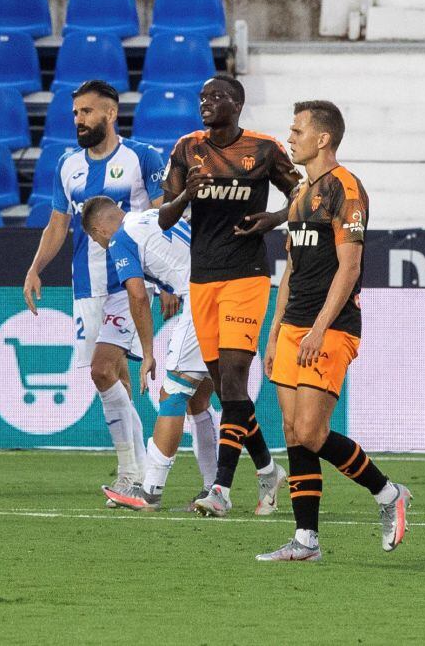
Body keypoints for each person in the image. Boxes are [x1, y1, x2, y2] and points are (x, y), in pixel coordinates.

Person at [257, 101, 411, 561]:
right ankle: (306, 541)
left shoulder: (347, 188)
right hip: (292, 328)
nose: (290, 136)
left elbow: (350, 266)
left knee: (310, 430)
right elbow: (290, 270)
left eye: (298, 129)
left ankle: (389, 494)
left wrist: (319, 328)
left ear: (323, 138)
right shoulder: (301, 194)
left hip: (330, 328)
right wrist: (274, 330)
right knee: (291, 428)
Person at [158, 73, 300, 518]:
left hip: (247, 276)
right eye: (201, 97)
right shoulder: (187, 148)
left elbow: (304, 191)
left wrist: (274, 218)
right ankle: (267, 469)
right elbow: (163, 217)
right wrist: (185, 196)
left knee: (236, 380)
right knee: (226, 392)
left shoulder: (263, 148)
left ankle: (219, 488)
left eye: (215, 96)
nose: (205, 103)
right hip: (202, 279)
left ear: (237, 104)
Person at [23, 79, 167, 505]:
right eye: (75, 113)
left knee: (102, 370)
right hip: (86, 286)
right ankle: (140, 479)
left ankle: (128, 473)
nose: (78, 120)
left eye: (87, 112)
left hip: (130, 281)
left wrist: (163, 279)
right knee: (115, 377)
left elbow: (165, 214)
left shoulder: (142, 157)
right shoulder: (68, 165)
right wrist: (34, 268)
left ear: (110, 113)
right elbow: (57, 225)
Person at [82, 197, 220, 511]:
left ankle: (149, 493)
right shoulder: (153, 215)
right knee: (207, 398)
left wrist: (147, 353)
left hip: (200, 297)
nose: (99, 244)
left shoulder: (120, 238)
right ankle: (237, 481)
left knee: (172, 394)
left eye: (94, 237)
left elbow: (137, 295)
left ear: (101, 228)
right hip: (227, 292)